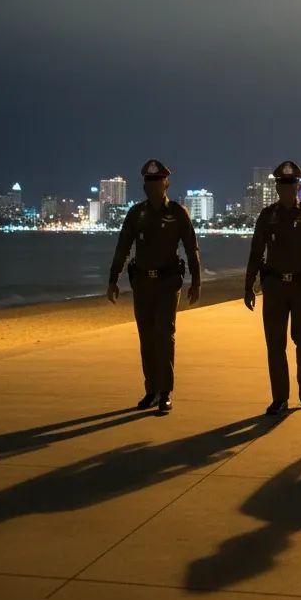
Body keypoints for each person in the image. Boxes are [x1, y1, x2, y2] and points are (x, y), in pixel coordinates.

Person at [107, 159, 201, 415]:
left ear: (166, 183)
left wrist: (197, 282)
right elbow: (123, 247)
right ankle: (151, 390)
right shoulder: (136, 214)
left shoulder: (178, 213)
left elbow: (192, 249)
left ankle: (165, 392)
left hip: (168, 283)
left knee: (164, 334)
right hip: (142, 284)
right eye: (148, 182)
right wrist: (113, 279)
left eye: (157, 181)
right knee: (146, 338)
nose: (152, 186)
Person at [244, 161, 301, 416]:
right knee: (275, 344)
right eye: (282, 185)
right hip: (273, 287)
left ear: (298, 187)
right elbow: (256, 252)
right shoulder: (267, 216)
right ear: (276, 187)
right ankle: (279, 397)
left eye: (291, 185)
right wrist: (248, 286)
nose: (286, 190)